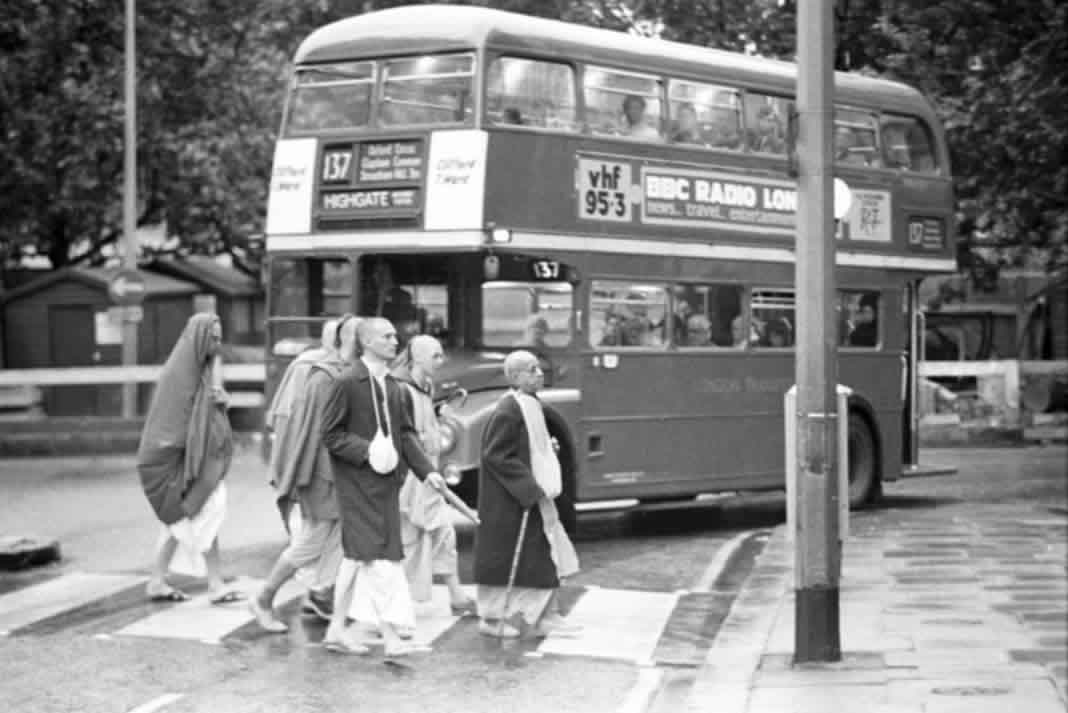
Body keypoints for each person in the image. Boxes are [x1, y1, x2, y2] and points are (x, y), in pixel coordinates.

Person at [320, 317, 448, 657]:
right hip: (357, 483)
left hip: (386, 484)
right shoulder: (347, 382)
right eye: (387, 336)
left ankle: (336, 628)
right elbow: (330, 435)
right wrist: (366, 452)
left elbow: (405, 434)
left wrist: (426, 471)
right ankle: (392, 637)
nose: (396, 341)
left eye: (395, 334)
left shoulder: (393, 385)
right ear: (366, 342)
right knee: (382, 559)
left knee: (356, 557)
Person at [249, 316, 358, 632]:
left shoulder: (340, 372)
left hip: (338, 474)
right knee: (310, 541)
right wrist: (297, 475)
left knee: (338, 538)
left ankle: (323, 595)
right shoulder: (318, 373)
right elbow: (299, 429)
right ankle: (264, 597)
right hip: (322, 475)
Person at [474, 350, 581, 639]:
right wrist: (529, 488)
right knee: (518, 558)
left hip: (532, 494)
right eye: (531, 370)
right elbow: (496, 456)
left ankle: (547, 615)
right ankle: (494, 619)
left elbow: (528, 446)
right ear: (515, 377)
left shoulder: (530, 403)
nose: (539, 373)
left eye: (538, 368)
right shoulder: (508, 410)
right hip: (514, 501)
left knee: (546, 553)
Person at [138, 313, 239, 604]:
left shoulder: (199, 371)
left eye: (220, 338)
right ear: (199, 338)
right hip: (176, 461)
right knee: (204, 514)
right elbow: (170, 425)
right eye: (214, 338)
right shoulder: (179, 375)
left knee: (184, 519)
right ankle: (215, 584)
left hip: (193, 461)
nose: (218, 345)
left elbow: (201, 417)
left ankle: (158, 581)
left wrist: (222, 403)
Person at [392, 336, 477, 616]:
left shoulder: (423, 385)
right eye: (436, 356)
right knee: (424, 535)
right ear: (418, 357)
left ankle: (453, 596)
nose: (441, 362)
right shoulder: (402, 388)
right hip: (414, 475)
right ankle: (452, 597)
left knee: (431, 534)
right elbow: (405, 434)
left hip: (426, 471)